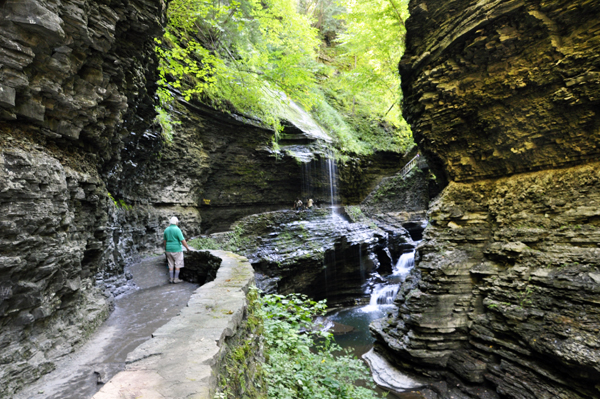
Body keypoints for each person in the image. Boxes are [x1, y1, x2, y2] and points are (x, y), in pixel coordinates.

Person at [162, 216, 192, 284]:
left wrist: (166, 248)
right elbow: (182, 240)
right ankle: (176, 279)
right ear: (176, 222)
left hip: (168, 249)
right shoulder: (177, 229)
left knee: (170, 264)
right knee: (178, 264)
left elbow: (164, 241)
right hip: (177, 249)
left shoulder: (166, 230)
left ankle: (171, 278)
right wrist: (187, 248)